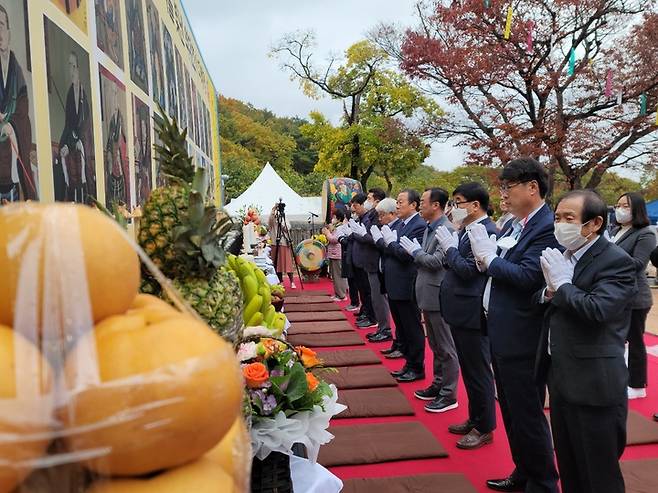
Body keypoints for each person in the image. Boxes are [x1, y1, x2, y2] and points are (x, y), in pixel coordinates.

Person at [468, 157, 559, 492]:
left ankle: (543, 482)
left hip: (524, 335)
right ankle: (524, 471)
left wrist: (489, 259)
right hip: (503, 329)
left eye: (508, 187)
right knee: (511, 411)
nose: (502, 194)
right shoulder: (514, 224)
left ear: (532, 188)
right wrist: (487, 259)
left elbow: (527, 277)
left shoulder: (546, 226)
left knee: (528, 413)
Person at [537, 190, 636, 493]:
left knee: (599, 473)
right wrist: (549, 291)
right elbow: (549, 297)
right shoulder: (565, 253)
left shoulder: (616, 261)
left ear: (593, 224)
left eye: (569, 219)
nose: (560, 225)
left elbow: (598, 309)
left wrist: (563, 285)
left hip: (594, 382)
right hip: (563, 375)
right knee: (569, 463)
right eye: (557, 218)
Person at [436, 182, 497, 450]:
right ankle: (475, 417)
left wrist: (450, 249)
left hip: (473, 311)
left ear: (475, 205)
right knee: (470, 371)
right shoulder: (467, 229)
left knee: (479, 371)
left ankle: (484, 427)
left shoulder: (485, 230)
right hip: (461, 309)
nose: (454, 208)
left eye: (458, 202)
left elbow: (470, 271)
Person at [400, 187, 459, 413]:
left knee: (445, 346)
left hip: (437, 294)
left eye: (423, 202)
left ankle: (449, 393)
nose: (420, 205)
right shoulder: (429, 227)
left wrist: (415, 253)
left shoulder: (446, 228)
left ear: (436, 205)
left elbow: (437, 261)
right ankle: (438, 384)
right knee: (435, 344)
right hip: (426, 292)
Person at [372, 189, 427, 382]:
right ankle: (408, 363)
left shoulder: (418, 226)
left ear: (413, 205)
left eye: (401, 202)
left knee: (412, 328)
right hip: (395, 282)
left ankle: (417, 367)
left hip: (406, 283)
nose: (398, 205)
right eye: (397, 202)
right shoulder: (403, 224)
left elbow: (406, 254)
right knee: (403, 326)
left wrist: (389, 243)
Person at [611, 192, 656, 400]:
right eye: (618, 205)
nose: (620, 209)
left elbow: (638, 264)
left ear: (636, 209)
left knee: (635, 340)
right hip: (616, 294)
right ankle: (619, 378)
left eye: (625, 206)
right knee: (618, 339)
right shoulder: (615, 230)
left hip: (636, 297)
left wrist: (607, 259)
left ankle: (638, 384)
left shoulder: (645, 233)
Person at [0, 5, 35, 202]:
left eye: (1, 26)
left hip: (11, 151)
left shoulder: (16, 70)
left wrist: (11, 125)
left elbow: (23, 112)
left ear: (9, 33)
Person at [352, 188, 393, 341]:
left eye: (369, 198)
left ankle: (385, 329)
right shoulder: (370, 215)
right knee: (375, 297)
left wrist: (362, 234)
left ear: (377, 201)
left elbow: (375, 239)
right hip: (368, 261)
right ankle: (382, 327)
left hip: (375, 261)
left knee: (379, 297)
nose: (367, 201)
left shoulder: (377, 216)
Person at [57, 51, 92, 204]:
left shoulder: (84, 96)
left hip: (84, 143)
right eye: (69, 66)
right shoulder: (69, 95)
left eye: (73, 66)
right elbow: (68, 125)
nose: (71, 70)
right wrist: (64, 144)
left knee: (85, 173)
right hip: (73, 142)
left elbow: (86, 126)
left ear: (78, 69)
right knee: (63, 158)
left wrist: (81, 142)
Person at [373, 197, 404, 358]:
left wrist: (382, 241)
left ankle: (403, 347)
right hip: (388, 274)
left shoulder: (399, 226)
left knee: (405, 320)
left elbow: (397, 251)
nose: (380, 218)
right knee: (397, 317)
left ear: (392, 214)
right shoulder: (388, 226)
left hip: (400, 278)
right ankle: (397, 344)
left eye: (382, 215)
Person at [348, 193, 378, 329]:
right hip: (359, 259)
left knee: (368, 291)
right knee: (363, 290)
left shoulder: (371, 217)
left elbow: (368, 238)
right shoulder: (363, 217)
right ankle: (366, 312)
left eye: (369, 199)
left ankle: (372, 316)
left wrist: (355, 233)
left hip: (367, 259)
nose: (354, 208)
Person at [268, 203, 296, 289]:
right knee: (277, 263)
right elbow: (269, 223)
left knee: (287, 263)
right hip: (275, 243)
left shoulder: (284, 216)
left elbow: (288, 227)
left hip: (283, 242)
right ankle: (280, 281)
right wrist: (273, 212)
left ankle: (292, 281)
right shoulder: (273, 217)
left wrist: (281, 222)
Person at [323, 209, 348, 301]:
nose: (332, 219)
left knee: (338, 275)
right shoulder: (336, 227)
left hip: (337, 254)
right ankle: (337, 293)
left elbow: (334, 239)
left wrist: (327, 233)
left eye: (334, 217)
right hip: (334, 253)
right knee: (335, 275)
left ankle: (341, 295)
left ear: (338, 218)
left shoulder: (341, 227)